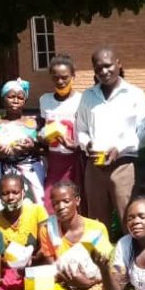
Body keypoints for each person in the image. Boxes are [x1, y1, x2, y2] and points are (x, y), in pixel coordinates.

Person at [75, 47, 145, 239]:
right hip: (95, 167)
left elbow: (143, 133)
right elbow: (81, 130)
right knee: (97, 222)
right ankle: (101, 264)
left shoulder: (135, 94)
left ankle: (135, 261)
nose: (104, 71)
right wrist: (87, 145)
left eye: (108, 66)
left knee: (130, 218)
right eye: (98, 68)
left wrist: (120, 148)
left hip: (123, 166)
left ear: (118, 63)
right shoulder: (88, 96)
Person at [33, 180, 113, 290]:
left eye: (66, 201)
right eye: (55, 203)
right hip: (63, 283)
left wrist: (86, 282)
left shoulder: (96, 228)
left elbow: (106, 268)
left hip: (94, 282)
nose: (60, 206)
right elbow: (52, 268)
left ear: (77, 200)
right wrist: (68, 278)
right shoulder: (47, 229)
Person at [0, 172, 48, 290]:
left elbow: (46, 243)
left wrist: (34, 259)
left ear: (23, 193)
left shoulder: (37, 211)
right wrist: (10, 263)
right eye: (5, 193)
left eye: (15, 192)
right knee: (7, 284)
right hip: (9, 270)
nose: (11, 197)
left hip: (36, 263)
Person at [0, 79, 46, 214]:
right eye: (11, 96)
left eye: (20, 97)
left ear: (25, 101)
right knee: (0, 210)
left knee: (35, 209)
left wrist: (31, 148)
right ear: (3, 99)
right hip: (2, 174)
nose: (16, 100)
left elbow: (46, 151)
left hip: (31, 173)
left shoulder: (34, 124)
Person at [38, 55, 84, 212]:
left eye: (65, 77)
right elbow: (41, 127)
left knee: (74, 203)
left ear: (73, 76)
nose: (60, 82)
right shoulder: (45, 100)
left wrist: (75, 146)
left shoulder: (82, 100)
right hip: (54, 161)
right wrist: (41, 137)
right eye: (56, 77)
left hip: (75, 161)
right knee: (50, 203)